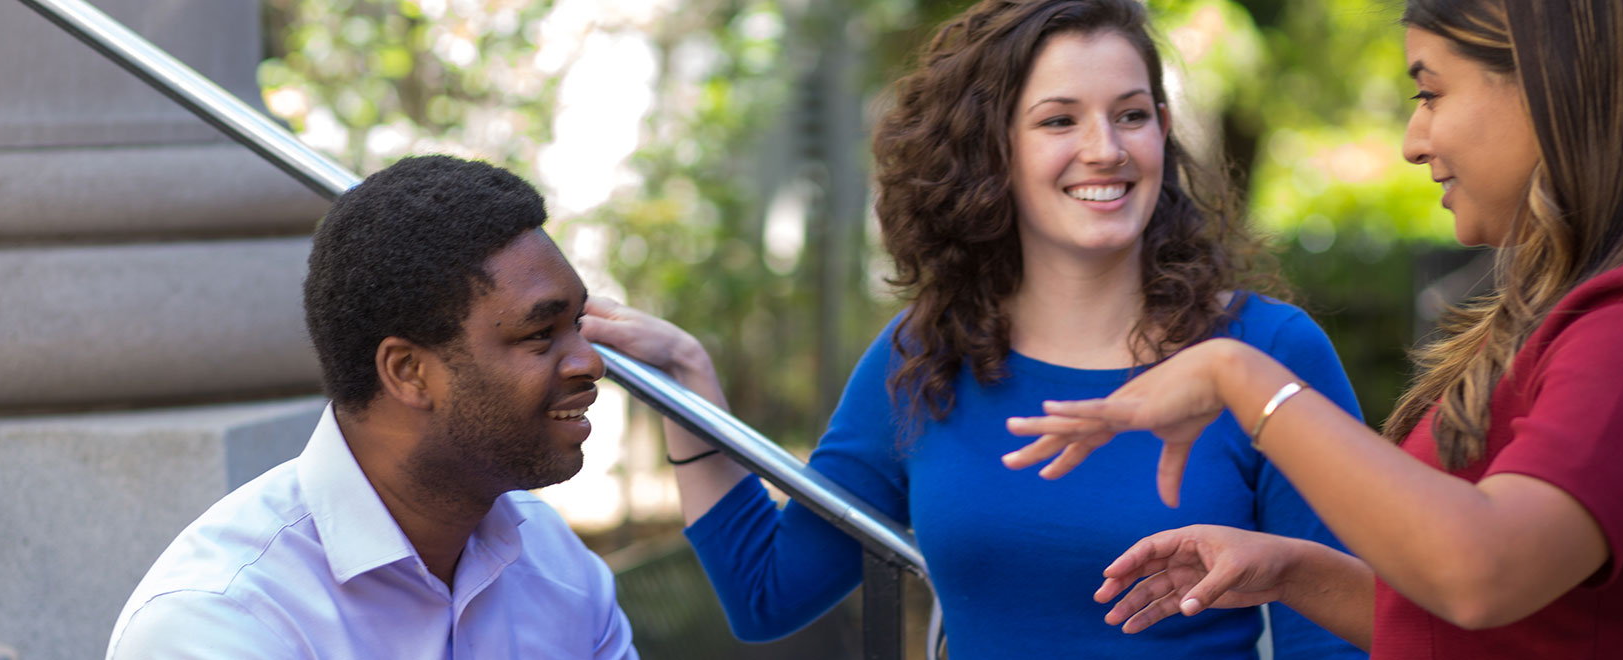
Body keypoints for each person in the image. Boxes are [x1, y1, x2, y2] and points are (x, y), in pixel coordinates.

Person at [1001, 1, 1623, 658]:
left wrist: (1238, 378)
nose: (1415, 140)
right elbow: (1516, 625)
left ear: (1548, 84)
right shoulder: (1604, 303)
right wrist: (1295, 574)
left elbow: (1484, 569)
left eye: (1432, 94)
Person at [584, 0, 1364, 656]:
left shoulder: (1268, 355)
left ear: (1161, 128)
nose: (1107, 149)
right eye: (1059, 120)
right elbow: (769, 593)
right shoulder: (925, 356)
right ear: (992, 148)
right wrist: (690, 379)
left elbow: (1341, 638)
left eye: (1131, 115)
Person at [105, 156, 635, 659]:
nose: (588, 362)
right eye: (541, 334)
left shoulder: (551, 558)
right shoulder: (221, 620)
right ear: (407, 372)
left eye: (579, 326)